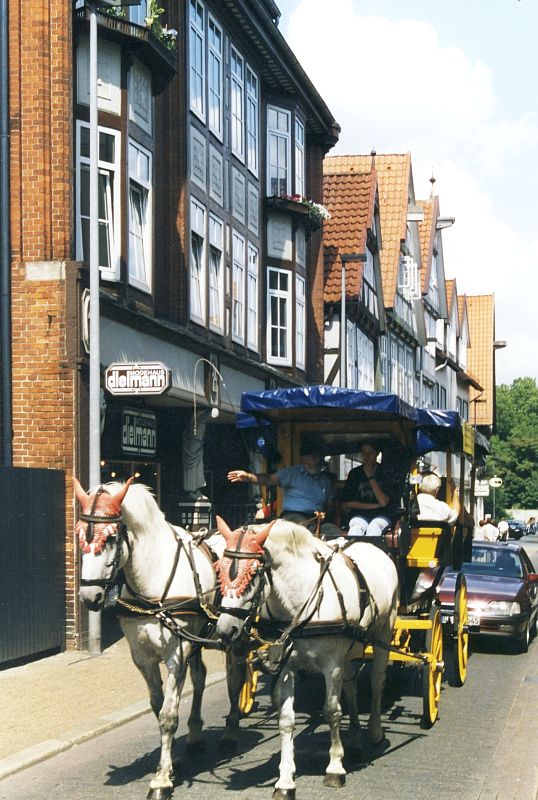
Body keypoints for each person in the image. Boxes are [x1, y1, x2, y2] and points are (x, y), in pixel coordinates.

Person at [227, 447, 337, 529]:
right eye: (314, 457)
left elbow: (330, 505)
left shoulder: (325, 480)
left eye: (319, 458)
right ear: (304, 459)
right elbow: (269, 479)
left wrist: (326, 515)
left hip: (317, 520)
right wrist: (249, 477)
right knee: (304, 530)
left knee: (332, 530)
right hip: (294, 518)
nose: (318, 461)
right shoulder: (292, 473)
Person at [341, 441, 399, 537]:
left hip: (382, 515)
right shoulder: (355, 473)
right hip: (359, 514)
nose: (367, 456)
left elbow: (383, 502)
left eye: (370, 453)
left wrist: (370, 477)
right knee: (356, 527)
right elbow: (349, 503)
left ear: (377, 453)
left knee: (374, 527)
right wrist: (375, 506)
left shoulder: (386, 473)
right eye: (364, 453)